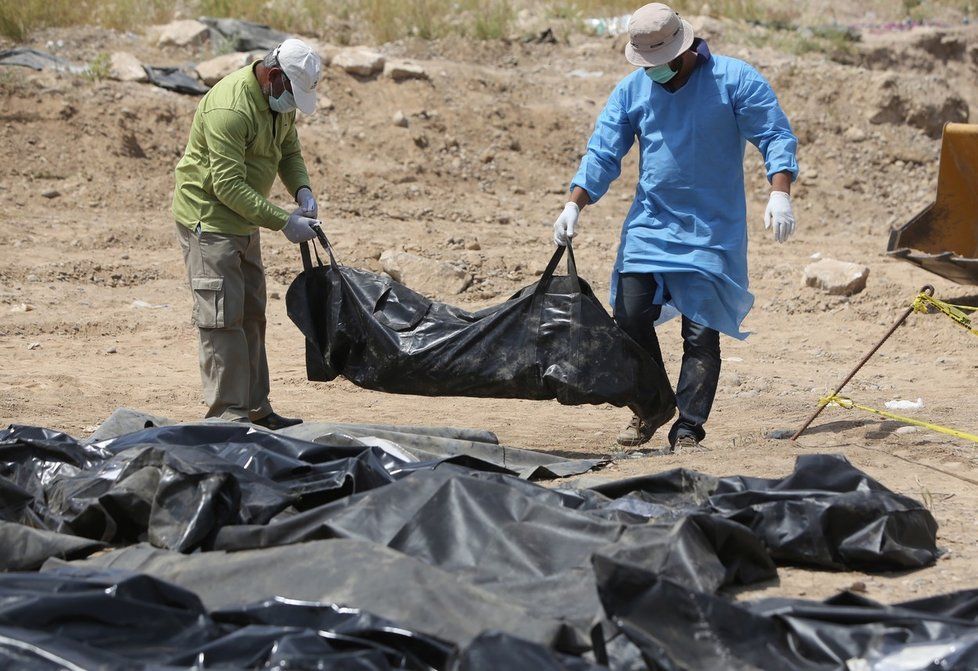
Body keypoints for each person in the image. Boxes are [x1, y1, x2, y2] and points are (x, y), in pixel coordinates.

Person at [553, 3, 798, 451]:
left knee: (700, 332)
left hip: (711, 230)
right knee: (628, 317)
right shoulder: (633, 90)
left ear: (682, 50)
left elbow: (774, 134)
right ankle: (652, 405)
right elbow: (604, 152)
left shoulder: (733, 80)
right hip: (650, 223)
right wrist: (575, 203)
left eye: (657, 64)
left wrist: (779, 190)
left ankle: (688, 426)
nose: (651, 72)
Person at [172, 38, 323, 429]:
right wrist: (284, 222)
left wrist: (302, 189)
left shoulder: (278, 102)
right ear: (273, 76)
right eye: (292, 94)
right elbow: (227, 186)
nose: (292, 106)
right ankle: (229, 421)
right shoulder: (230, 108)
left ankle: (258, 411)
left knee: (253, 314)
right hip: (211, 221)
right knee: (222, 321)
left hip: (246, 220)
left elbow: (289, 152)